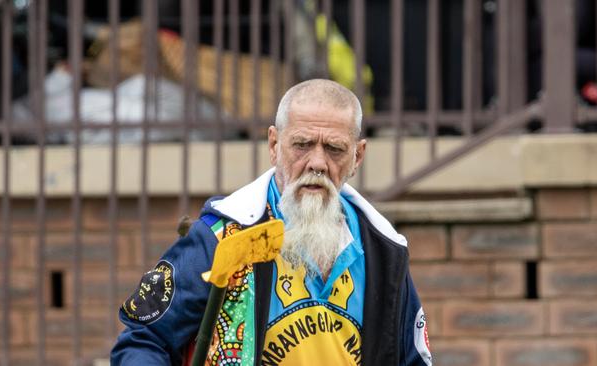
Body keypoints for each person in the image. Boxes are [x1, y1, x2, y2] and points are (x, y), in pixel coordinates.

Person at [111, 79, 432, 366]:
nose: (318, 162)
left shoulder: (384, 251)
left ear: (358, 156)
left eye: (335, 149)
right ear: (274, 145)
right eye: (302, 144)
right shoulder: (222, 235)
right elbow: (144, 337)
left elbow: (412, 358)